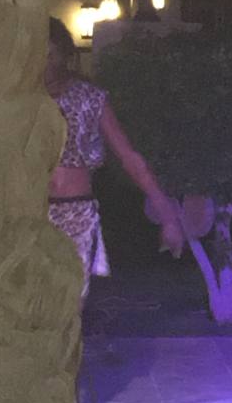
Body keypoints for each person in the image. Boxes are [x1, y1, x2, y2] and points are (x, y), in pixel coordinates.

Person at [45, 16, 183, 299]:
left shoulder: (89, 97)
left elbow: (129, 157)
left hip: (75, 213)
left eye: (50, 54)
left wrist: (167, 214)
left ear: (64, 55)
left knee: (68, 300)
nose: (44, 63)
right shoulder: (22, 99)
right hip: (29, 211)